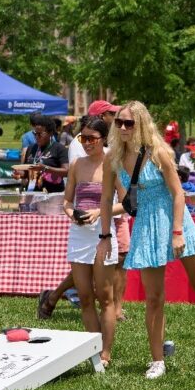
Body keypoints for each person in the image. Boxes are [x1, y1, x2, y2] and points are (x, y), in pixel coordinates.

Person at [99, 101, 195, 379]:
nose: (123, 127)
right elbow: (105, 199)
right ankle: (157, 360)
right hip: (146, 225)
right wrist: (104, 235)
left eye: (129, 123)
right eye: (119, 123)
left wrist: (177, 231)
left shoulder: (158, 152)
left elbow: (178, 193)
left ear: (141, 125)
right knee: (154, 298)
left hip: (174, 220)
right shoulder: (113, 157)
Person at [63, 117, 121, 367]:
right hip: (78, 234)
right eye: (82, 138)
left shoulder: (113, 164)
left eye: (91, 139)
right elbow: (67, 201)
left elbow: (127, 202)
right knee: (85, 297)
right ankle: (93, 350)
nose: (86, 143)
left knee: (105, 297)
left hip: (103, 234)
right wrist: (71, 214)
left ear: (103, 139)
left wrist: (100, 212)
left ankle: (106, 353)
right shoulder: (76, 164)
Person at [17, 115, 68, 193]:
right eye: (35, 134)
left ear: (50, 133)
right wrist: (19, 174)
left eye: (40, 134)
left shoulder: (59, 148)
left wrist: (45, 168)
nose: (37, 137)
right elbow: (27, 172)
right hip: (32, 194)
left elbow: (66, 171)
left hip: (52, 195)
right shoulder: (31, 148)